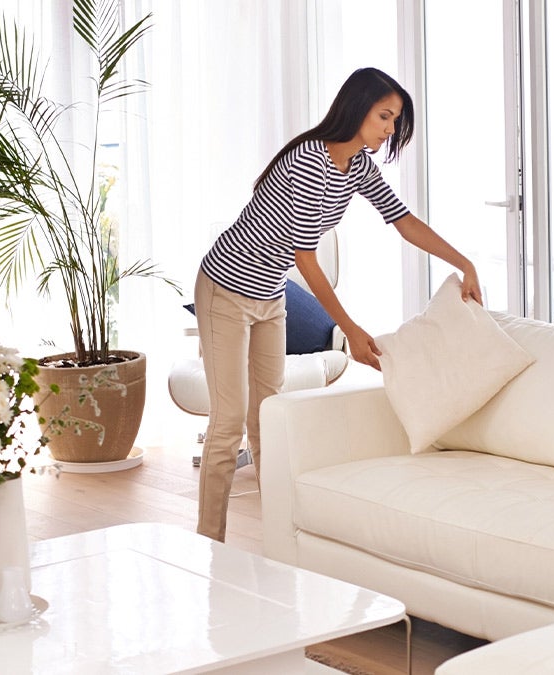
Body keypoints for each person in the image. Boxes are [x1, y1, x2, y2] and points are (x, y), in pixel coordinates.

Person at [194, 67, 481, 542]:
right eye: (384, 116)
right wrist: (349, 327)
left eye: (395, 120)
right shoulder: (308, 161)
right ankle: (209, 546)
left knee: (267, 416)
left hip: (270, 294)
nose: (390, 129)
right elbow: (305, 258)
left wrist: (464, 262)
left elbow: (403, 220)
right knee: (228, 424)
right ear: (357, 108)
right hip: (225, 289)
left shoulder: (357, 166)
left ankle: (280, 540)